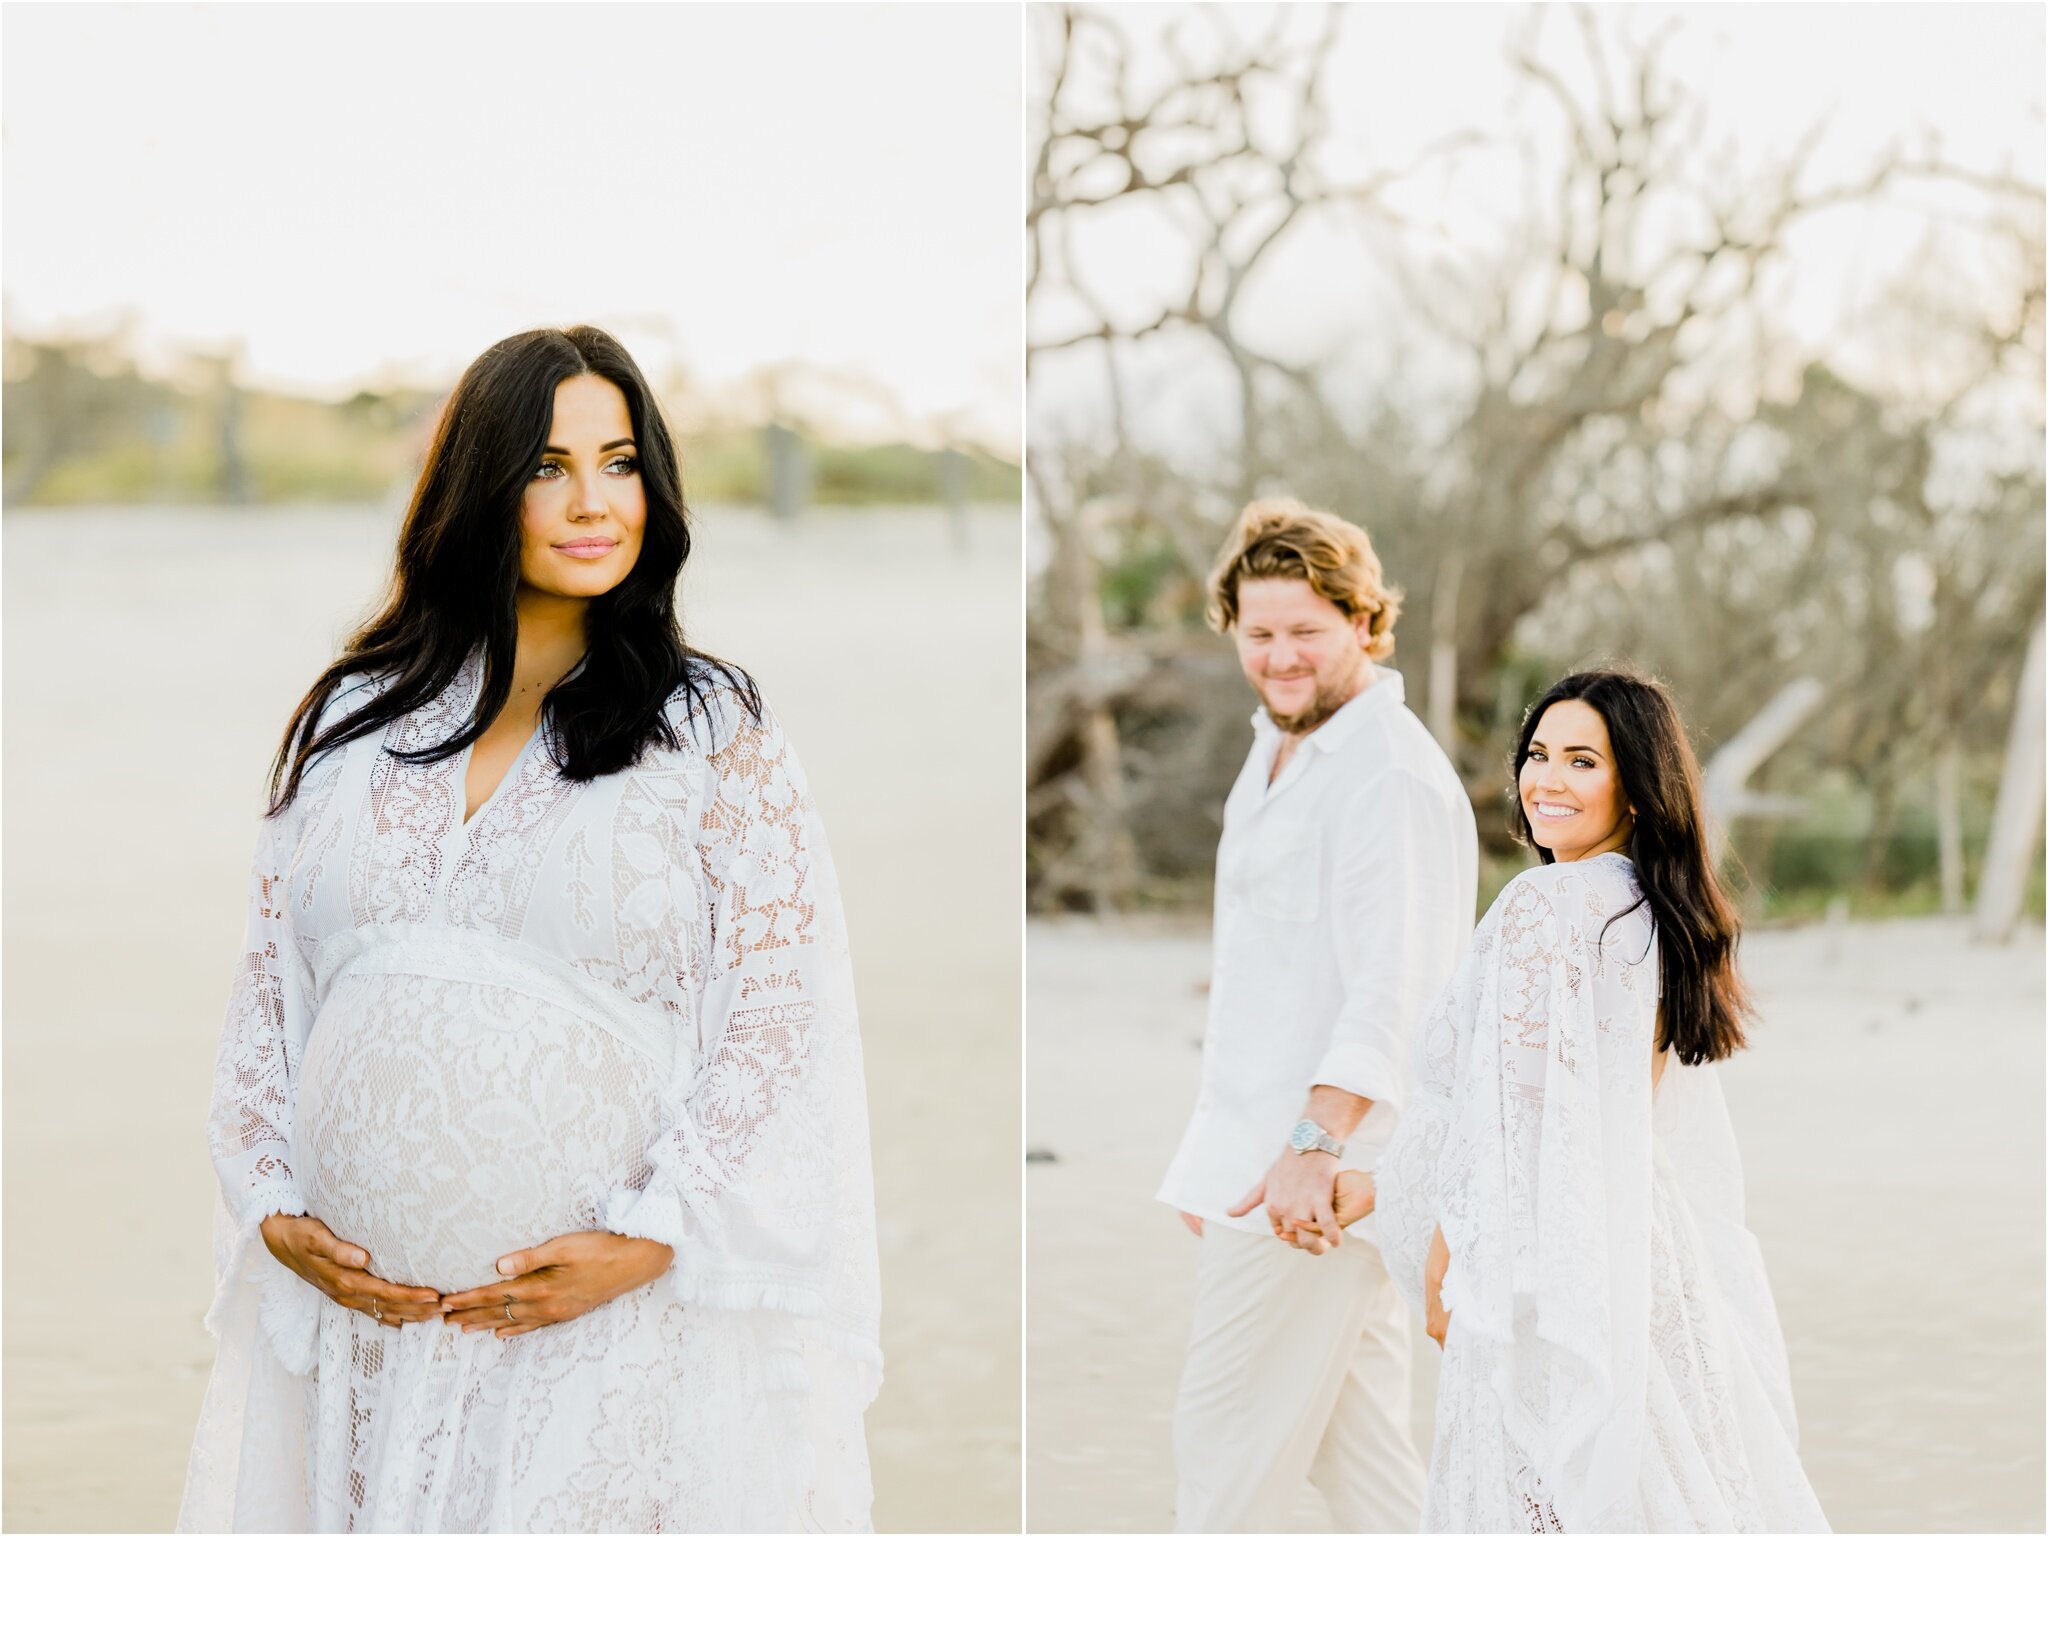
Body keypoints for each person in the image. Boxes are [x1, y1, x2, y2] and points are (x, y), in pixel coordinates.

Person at [178, 326, 881, 1533]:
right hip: (370, 1339)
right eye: (548, 466)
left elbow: (774, 1018)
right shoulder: (355, 719)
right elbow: (269, 988)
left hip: (603, 1326)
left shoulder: (708, 727)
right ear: (476, 486)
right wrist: (269, 1197)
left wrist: (655, 1236)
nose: (594, 503)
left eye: (620, 463)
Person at [1335, 668, 1828, 1532]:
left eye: (1582, 762)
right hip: (1639, 1243)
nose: (1546, 781)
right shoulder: (1650, 908)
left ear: (1636, 787)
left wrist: (1452, 1246)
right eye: (1536, 755)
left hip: (1540, 1240)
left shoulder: (1547, 904)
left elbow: (1521, 1123)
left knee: (1538, 1497)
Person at [1155, 498, 1478, 1532]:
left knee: (1221, 1464)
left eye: (1305, 630)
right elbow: (1272, 978)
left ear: (1362, 623)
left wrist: (1303, 1147)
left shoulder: (1384, 775)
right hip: (1261, 1156)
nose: (1279, 656)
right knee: (1367, 1469)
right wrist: (1214, 1152)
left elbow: (1395, 989)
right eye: (1258, 634)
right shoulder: (1279, 749)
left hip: (1315, 1176)